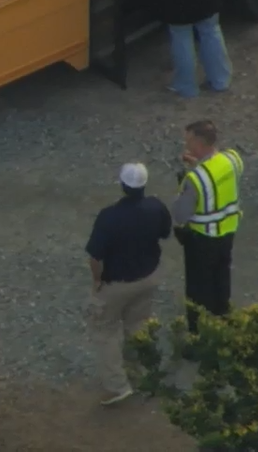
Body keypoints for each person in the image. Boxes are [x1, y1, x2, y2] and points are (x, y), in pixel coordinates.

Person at [85, 162, 172, 406]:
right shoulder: (156, 207)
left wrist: (97, 280)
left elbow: (95, 257)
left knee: (104, 331)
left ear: (123, 185)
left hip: (117, 283)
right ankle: (141, 373)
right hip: (148, 277)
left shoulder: (109, 216)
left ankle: (117, 386)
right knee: (138, 324)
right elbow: (165, 233)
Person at [170, 120, 243, 334]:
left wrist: (185, 182)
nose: (186, 145)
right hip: (228, 232)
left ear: (199, 143)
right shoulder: (233, 159)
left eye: (189, 141)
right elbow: (215, 176)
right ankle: (223, 316)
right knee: (221, 277)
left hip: (202, 239)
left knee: (198, 289)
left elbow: (180, 214)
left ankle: (199, 333)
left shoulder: (195, 180)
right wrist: (199, 164)